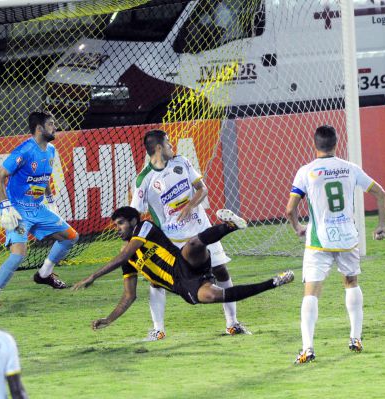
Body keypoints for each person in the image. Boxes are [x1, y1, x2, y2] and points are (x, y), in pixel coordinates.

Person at [71, 206, 294, 331]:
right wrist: (108, 320)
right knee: (212, 296)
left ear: (132, 221)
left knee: (193, 245)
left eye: (120, 224)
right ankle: (274, 282)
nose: (118, 229)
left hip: (184, 263)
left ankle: (230, 226)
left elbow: (125, 254)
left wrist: (93, 276)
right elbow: (129, 296)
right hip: (182, 284)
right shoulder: (128, 261)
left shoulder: (145, 227)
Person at [130, 129, 248, 340]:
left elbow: (202, 189)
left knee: (221, 271)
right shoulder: (144, 180)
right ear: (158, 148)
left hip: (202, 230)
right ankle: (158, 330)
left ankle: (233, 324)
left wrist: (189, 206)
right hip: (173, 240)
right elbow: (135, 213)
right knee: (156, 281)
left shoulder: (182, 162)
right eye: (168, 143)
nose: (171, 146)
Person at [285, 125, 385, 364]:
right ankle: (356, 338)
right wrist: (382, 225)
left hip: (319, 241)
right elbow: (381, 193)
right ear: (336, 144)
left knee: (312, 291)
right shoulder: (350, 168)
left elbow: (290, 209)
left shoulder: (306, 171)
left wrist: (298, 227)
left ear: (315, 144)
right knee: (351, 283)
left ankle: (308, 348)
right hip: (347, 238)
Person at [0, 111, 79, 310]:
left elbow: (43, 177)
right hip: (18, 211)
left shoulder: (51, 150)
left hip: (38, 208)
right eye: (51, 124)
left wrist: (50, 199)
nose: (55, 127)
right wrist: (5, 206)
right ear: (39, 129)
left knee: (71, 236)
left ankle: (44, 274)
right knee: (19, 254)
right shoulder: (25, 151)